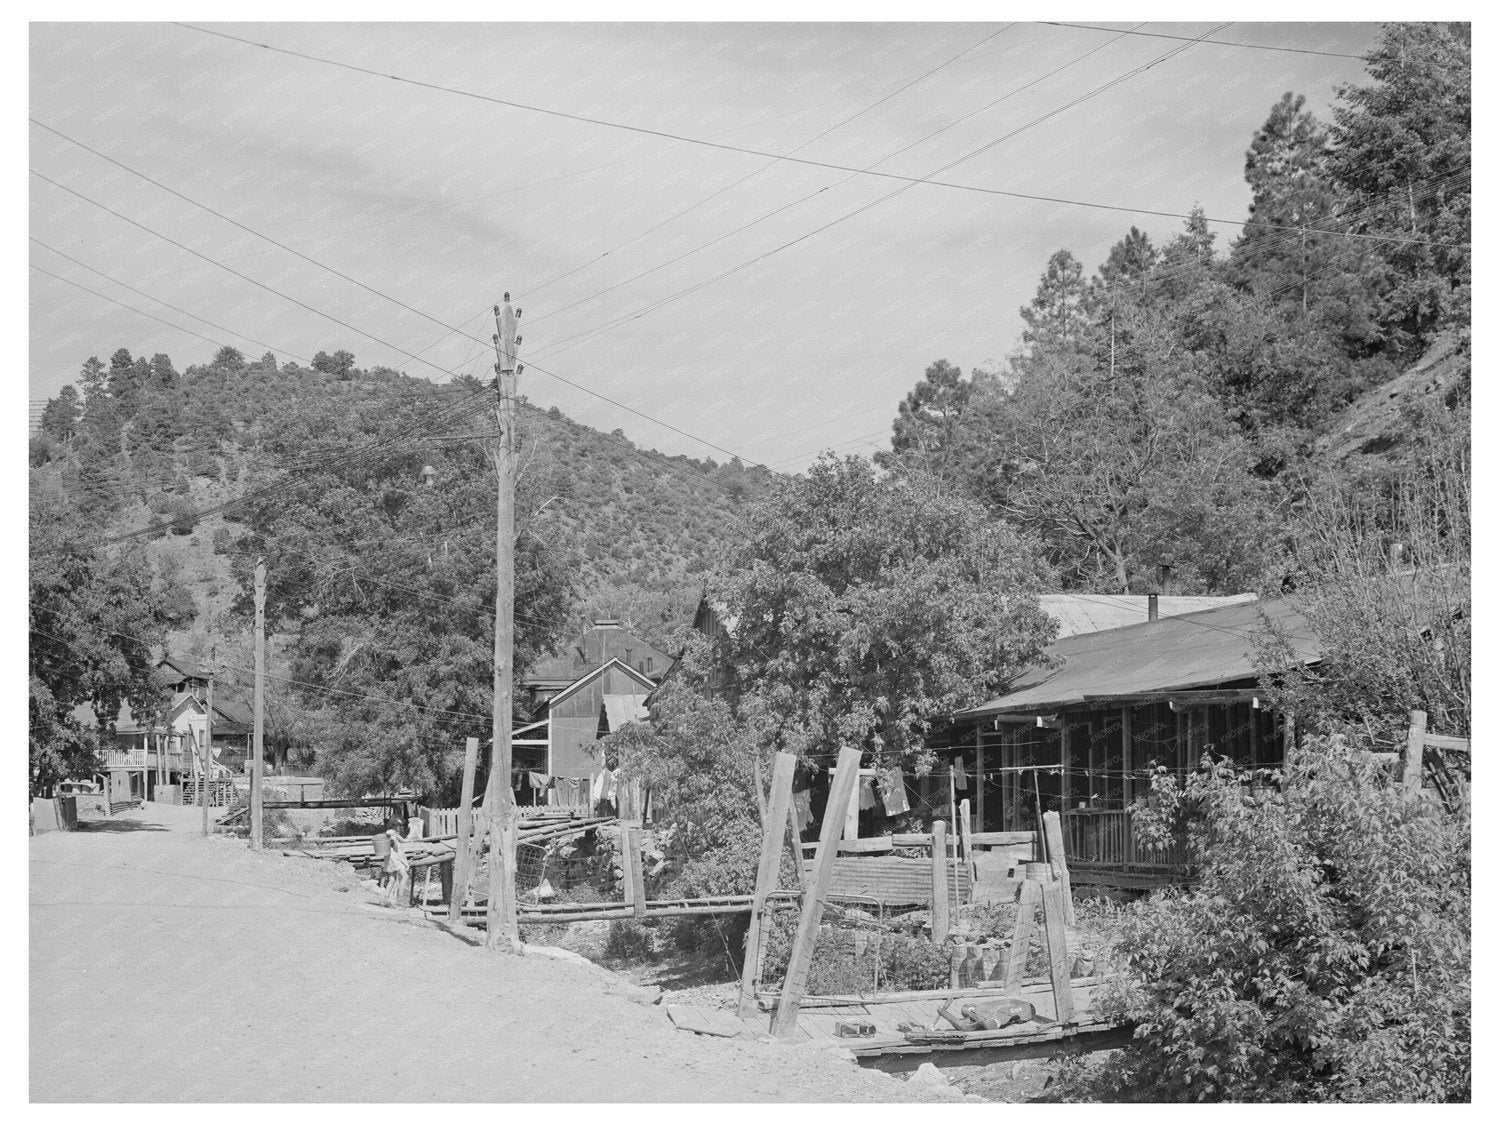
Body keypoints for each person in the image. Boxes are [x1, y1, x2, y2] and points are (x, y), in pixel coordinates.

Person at [379, 825, 410, 907]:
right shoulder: (394, 838)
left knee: (392, 879)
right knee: (405, 876)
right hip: (395, 860)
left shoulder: (387, 839)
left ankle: (384, 900)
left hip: (389, 859)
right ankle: (400, 898)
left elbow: (402, 840)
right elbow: (397, 851)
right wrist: (405, 863)